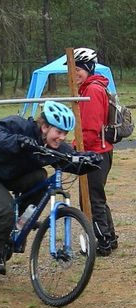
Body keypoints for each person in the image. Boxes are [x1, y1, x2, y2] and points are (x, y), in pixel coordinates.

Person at [0, 101, 102, 274]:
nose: (62, 137)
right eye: (58, 132)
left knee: (40, 177)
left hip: (8, 173)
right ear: (45, 127)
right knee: (5, 209)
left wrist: (90, 160)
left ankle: (20, 223)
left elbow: (71, 159)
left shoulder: (53, 146)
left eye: (65, 133)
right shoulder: (20, 126)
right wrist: (18, 141)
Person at [72, 47, 117, 256]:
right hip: (100, 151)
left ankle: (103, 242)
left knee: (91, 199)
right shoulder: (91, 87)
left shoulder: (92, 90)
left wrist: (74, 149)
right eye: (72, 70)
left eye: (78, 69)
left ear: (88, 68)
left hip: (95, 152)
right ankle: (110, 237)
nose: (74, 74)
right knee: (97, 196)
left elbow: (89, 129)